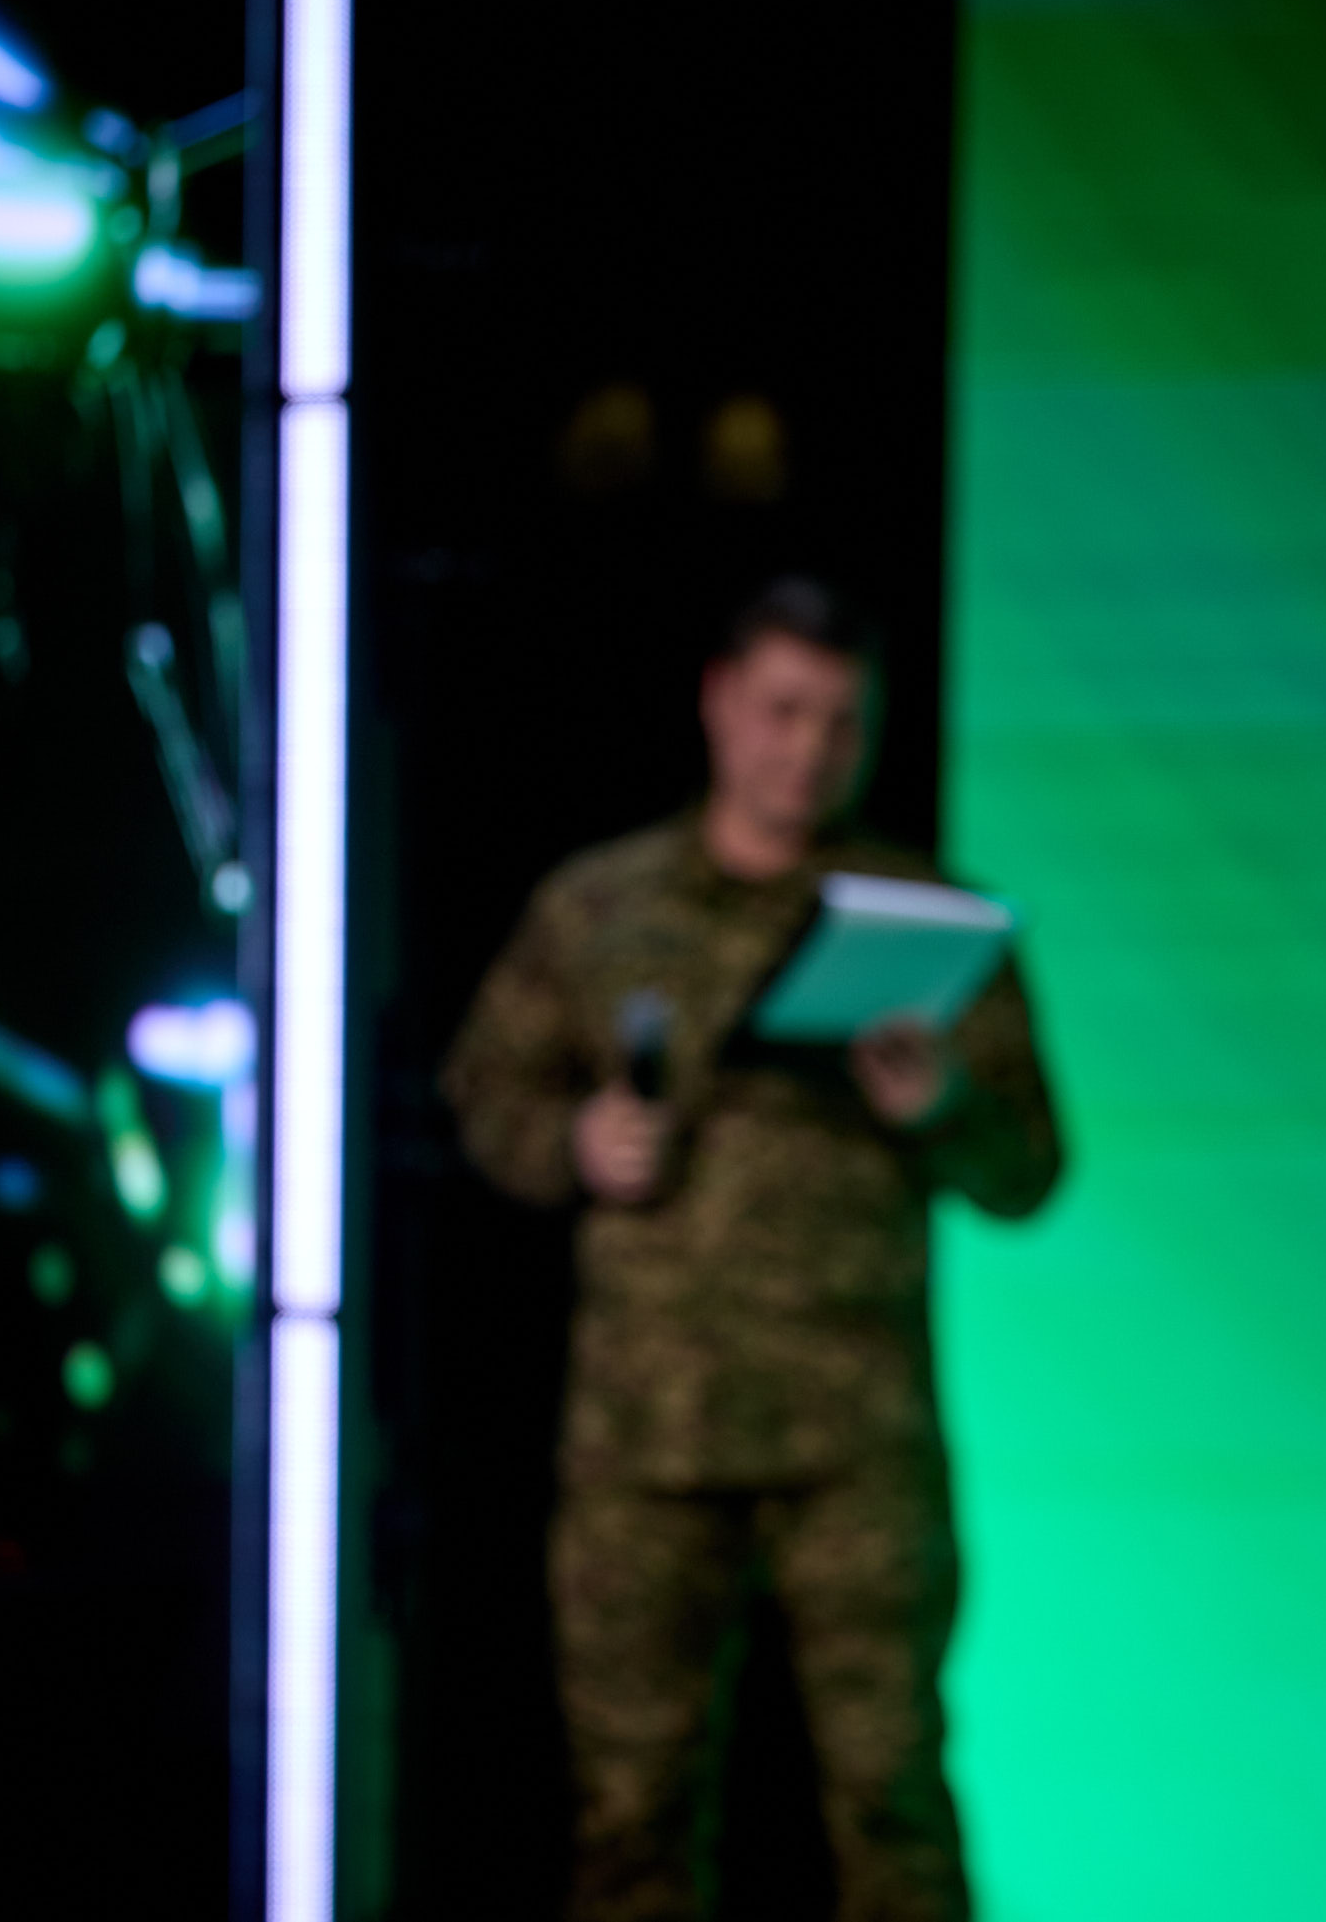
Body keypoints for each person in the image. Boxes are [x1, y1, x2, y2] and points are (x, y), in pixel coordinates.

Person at [442, 577, 1062, 1922]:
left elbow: (1030, 1168)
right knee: (631, 1811)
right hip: (645, 1437)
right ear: (720, 702)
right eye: (784, 711)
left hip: (855, 1436)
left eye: (842, 721)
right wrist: (575, 1140)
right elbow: (484, 1093)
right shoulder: (598, 907)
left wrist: (940, 1104)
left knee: (893, 1798)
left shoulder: (928, 922)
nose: (808, 749)